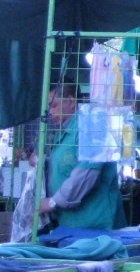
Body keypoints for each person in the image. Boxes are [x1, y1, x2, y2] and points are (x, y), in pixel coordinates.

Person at [38, 84, 126, 230]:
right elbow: (66, 165)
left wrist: (52, 202)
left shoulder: (92, 127)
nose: (50, 113)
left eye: (54, 106)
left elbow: (86, 173)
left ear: (71, 102)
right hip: (70, 224)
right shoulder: (63, 133)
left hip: (97, 227)